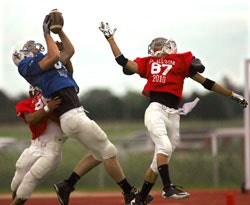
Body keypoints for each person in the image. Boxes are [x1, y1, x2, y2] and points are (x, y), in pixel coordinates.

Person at [12, 11, 153, 205]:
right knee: (109, 151)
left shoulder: (48, 64)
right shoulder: (29, 67)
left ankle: (67, 185)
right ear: (21, 56)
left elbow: (68, 51)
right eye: (29, 48)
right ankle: (129, 193)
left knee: (99, 154)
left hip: (75, 114)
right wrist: (46, 33)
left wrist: (60, 32)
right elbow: (54, 55)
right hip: (72, 114)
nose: (34, 48)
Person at [99, 22, 248, 205]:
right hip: (156, 110)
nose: (155, 48)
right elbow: (122, 61)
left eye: (158, 44)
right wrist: (110, 39)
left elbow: (206, 82)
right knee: (164, 147)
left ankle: (140, 199)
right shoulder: (148, 62)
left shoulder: (181, 60)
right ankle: (167, 187)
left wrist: (233, 95)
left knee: (160, 157)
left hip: (174, 114)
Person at [10, 85, 67, 205]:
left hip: (52, 150)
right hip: (34, 146)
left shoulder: (60, 102)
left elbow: (67, 126)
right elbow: (31, 119)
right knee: (17, 181)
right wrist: (47, 109)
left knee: (30, 179)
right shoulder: (27, 103)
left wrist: (51, 110)